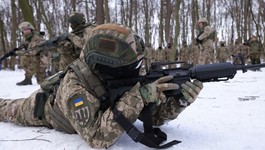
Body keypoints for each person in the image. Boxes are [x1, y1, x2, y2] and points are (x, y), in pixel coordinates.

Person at [0, 23, 203, 149]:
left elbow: (153, 116)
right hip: (44, 109)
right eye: (133, 64)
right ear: (110, 64)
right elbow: (97, 138)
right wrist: (138, 96)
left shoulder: (122, 73)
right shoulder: (74, 88)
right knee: (8, 108)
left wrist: (179, 101)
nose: (138, 69)